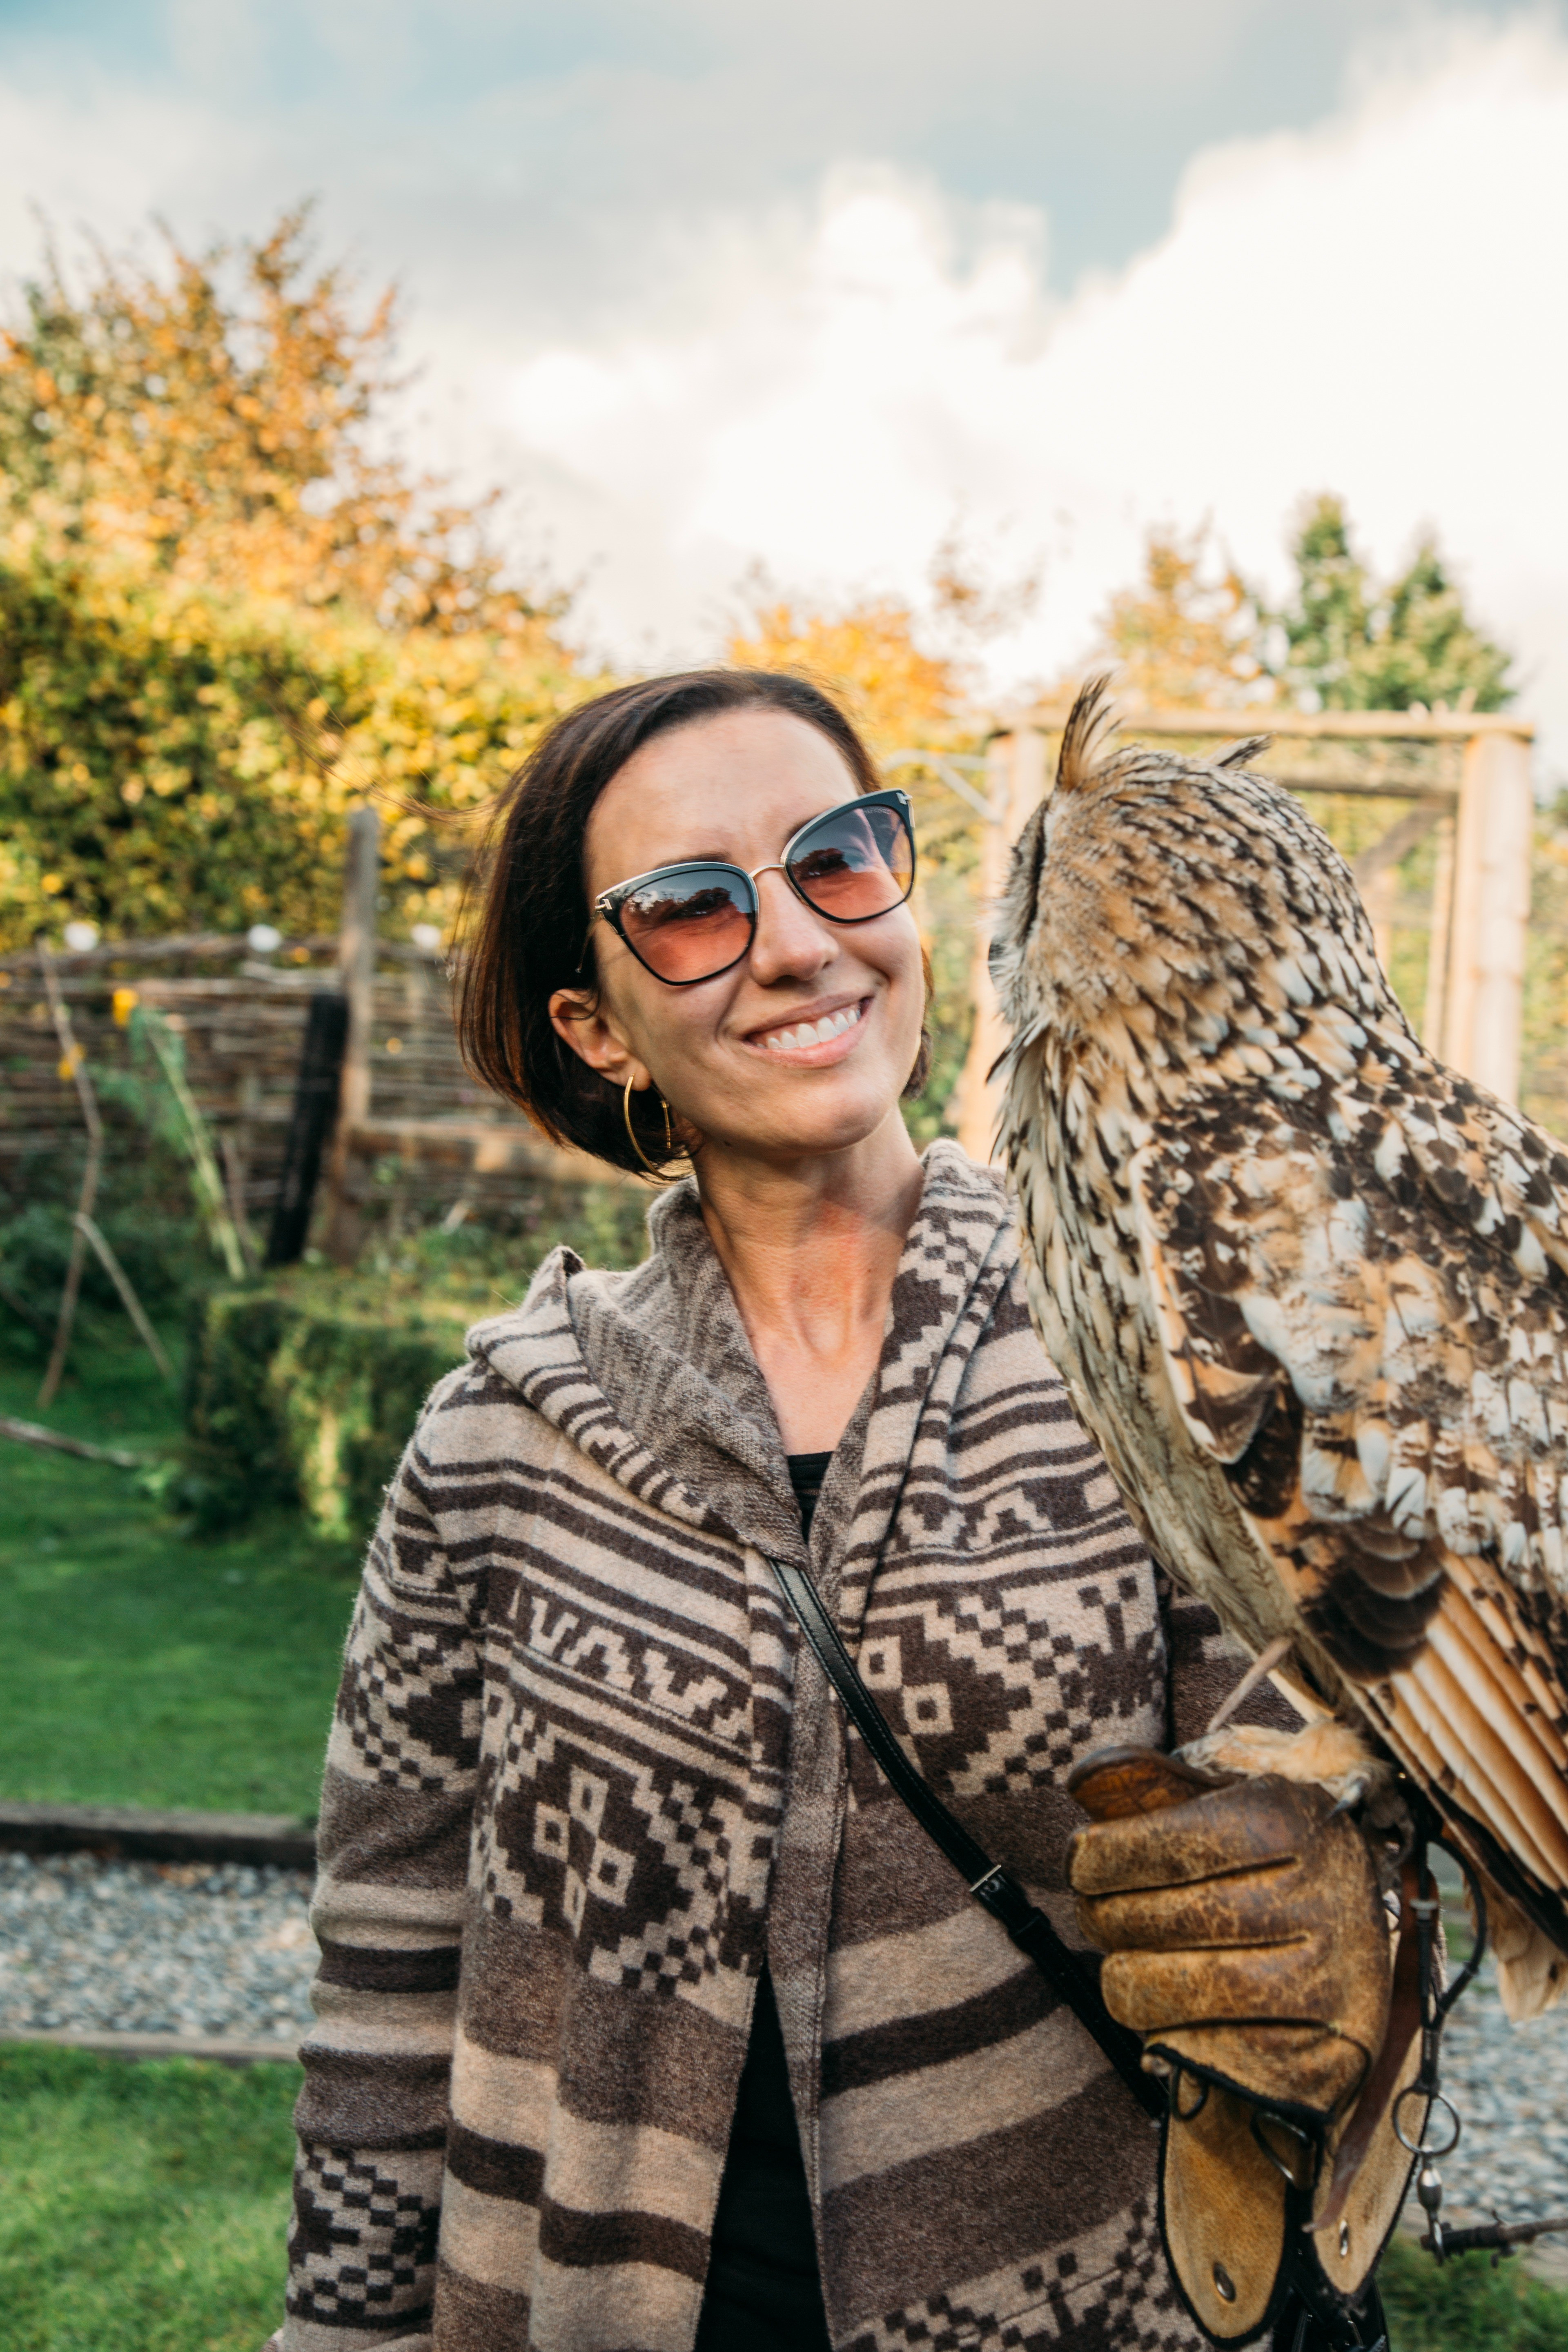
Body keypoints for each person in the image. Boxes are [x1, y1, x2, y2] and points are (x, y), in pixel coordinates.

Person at [269, 670, 1404, 2352]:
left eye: (840, 861)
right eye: (688, 909)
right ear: (596, 1023)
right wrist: (343, 2332)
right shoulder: (494, 1449)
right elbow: (386, 1979)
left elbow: (1338, 1819)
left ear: (912, 904)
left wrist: (1352, 1939)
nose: (797, 944)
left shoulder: (1167, 1359)